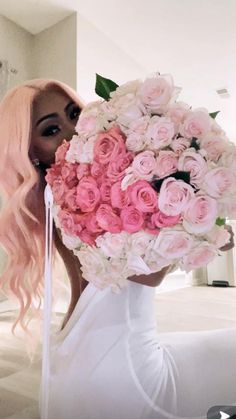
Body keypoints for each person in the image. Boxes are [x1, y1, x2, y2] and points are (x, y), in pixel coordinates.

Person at [0, 79, 235, 419]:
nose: (73, 130)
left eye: (74, 113)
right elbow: (145, 277)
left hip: (82, 346)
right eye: (51, 129)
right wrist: (202, 232)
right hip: (118, 368)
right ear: (31, 151)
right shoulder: (79, 195)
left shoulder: (52, 195)